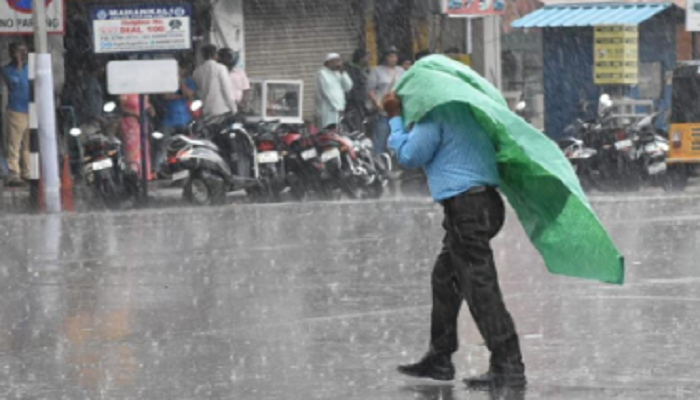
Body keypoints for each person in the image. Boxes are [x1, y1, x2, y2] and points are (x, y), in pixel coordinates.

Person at [384, 91, 526, 389]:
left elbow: (409, 156)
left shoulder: (434, 115)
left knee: (479, 287)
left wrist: (394, 119)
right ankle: (440, 357)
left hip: (466, 207)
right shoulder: (470, 112)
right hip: (485, 203)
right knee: (445, 279)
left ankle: (508, 365)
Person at [156, 64, 196, 175]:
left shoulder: (188, 81)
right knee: (162, 144)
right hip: (168, 119)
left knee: (187, 146)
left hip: (185, 119)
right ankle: (158, 169)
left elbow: (189, 94)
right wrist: (182, 96)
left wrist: (180, 82)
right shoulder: (166, 81)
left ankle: (186, 169)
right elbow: (165, 96)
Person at [0, 42, 30, 187]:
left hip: (30, 109)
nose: (23, 54)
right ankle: (14, 173)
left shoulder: (29, 68)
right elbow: (14, 83)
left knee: (28, 144)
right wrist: (18, 64)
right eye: (20, 51)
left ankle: (27, 172)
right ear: (12, 53)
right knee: (14, 144)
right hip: (16, 109)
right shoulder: (7, 70)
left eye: (25, 51)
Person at [367, 46, 404, 155]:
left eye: (395, 57)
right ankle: (379, 163)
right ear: (385, 58)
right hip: (382, 110)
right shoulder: (377, 71)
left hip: (397, 109)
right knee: (381, 138)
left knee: (397, 138)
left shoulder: (401, 70)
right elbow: (370, 90)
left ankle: (397, 163)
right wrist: (377, 103)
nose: (393, 59)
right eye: (390, 57)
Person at [193, 44, 238, 119]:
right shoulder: (221, 68)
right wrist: (234, 108)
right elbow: (226, 89)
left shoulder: (196, 71)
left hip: (206, 110)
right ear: (214, 54)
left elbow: (198, 91)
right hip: (221, 110)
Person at [120, 93, 155, 180]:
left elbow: (146, 104)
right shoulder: (124, 91)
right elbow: (122, 107)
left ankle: (144, 175)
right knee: (131, 147)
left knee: (143, 147)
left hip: (142, 123)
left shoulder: (142, 91)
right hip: (130, 123)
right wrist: (135, 113)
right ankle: (132, 173)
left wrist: (150, 109)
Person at [314, 53, 353, 129]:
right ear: (329, 62)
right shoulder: (322, 74)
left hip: (338, 110)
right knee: (328, 132)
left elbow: (348, 87)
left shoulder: (338, 73)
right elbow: (327, 93)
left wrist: (343, 73)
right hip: (328, 110)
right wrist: (338, 108)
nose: (339, 63)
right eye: (337, 61)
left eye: (339, 61)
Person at [344, 49, 370, 132]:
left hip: (360, 107)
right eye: (367, 58)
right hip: (354, 106)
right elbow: (353, 90)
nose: (369, 60)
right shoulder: (351, 71)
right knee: (357, 130)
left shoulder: (362, 70)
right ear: (361, 59)